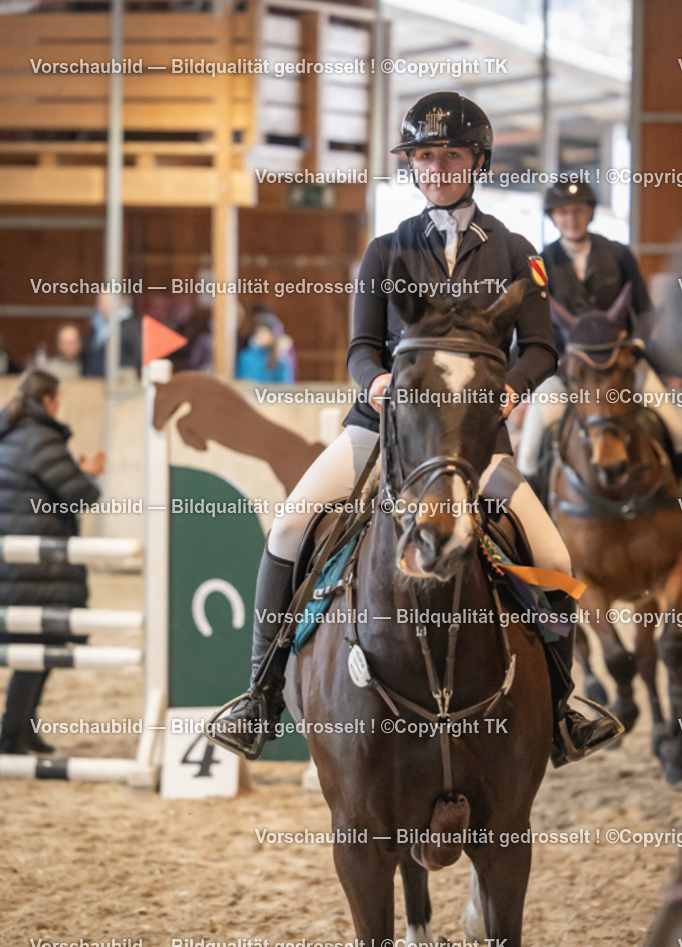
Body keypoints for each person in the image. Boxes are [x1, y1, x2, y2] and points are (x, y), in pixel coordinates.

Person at [219, 91, 621, 765]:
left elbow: (541, 350)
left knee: (552, 557)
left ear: (477, 161)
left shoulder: (518, 251)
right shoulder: (384, 250)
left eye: (451, 155)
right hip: (385, 428)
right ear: (412, 166)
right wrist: (373, 382)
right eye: (425, 156)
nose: (437, 167)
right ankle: (258, 695)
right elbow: (359, 348)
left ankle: (562, 707)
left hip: (476, 437)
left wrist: (505, 396)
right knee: (290, 525)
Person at [517, 179, 682, 482]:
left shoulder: (618, 253)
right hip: (568, 370)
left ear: (590, 213)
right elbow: (533, 316)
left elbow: (644, 309)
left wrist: (637, 347)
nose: (571, 219)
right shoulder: (540, 262)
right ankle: (541, 519)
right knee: (528, 451)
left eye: (578, 210)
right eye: (563, 212)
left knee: (677, 428)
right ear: (553, 217)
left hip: (620, 364)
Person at [0, 371, 105, 754]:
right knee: (37, 647)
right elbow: (80, 495)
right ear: (47, 400)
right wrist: (88, 473)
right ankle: (11, 735)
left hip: (13, 558)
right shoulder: (42, 439)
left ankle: (21, 729)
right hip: (36, 566)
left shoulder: (9, 433)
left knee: (34, 648)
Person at [236, 309, 295, 383]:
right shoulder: (246, 357)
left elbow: (285, 385)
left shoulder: (281, 359)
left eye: (265, 333)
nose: (262, 336)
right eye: (260, 332)